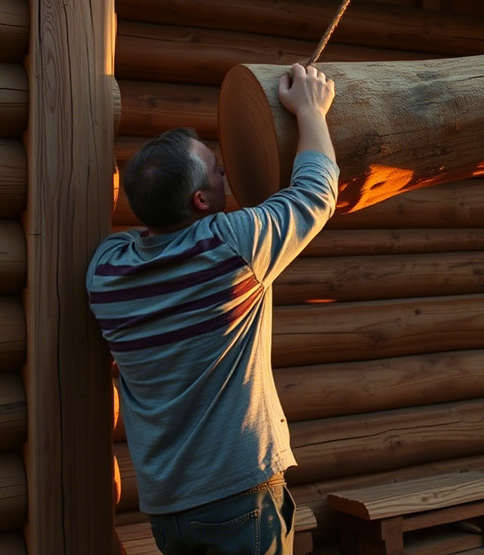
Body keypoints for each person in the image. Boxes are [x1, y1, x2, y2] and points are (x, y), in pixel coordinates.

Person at [87, 63, 338, 554]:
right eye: (217, 167)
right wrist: (311, 110)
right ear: (201, 200)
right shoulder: (232, 247)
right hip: (239, 498)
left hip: (167, 509)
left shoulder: (105, 272)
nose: (227, 167)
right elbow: (315, 192)